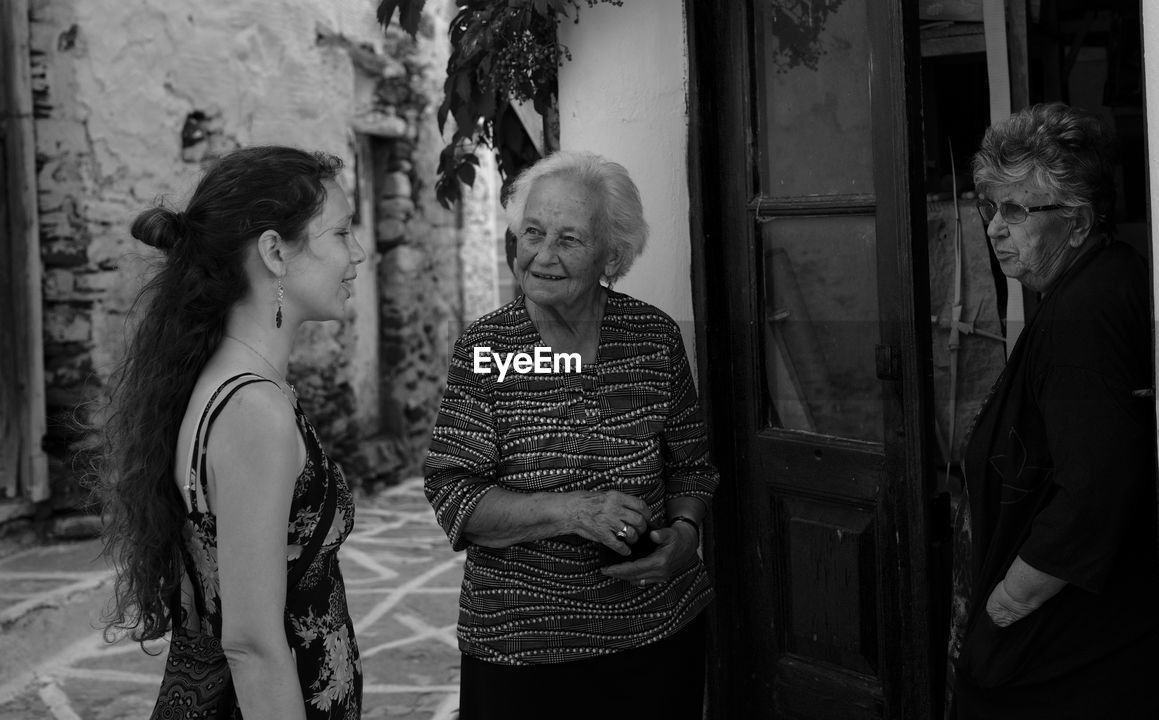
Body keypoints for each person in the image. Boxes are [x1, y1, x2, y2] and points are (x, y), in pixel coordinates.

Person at [423, 150, 718, 719]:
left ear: (612, 253)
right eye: (532, 233)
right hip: (521, 644)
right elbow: (454, 493)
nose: (542, 256)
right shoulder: (489, 350)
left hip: (656, 633)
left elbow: (691, 466)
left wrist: (685, 533)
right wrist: (576, 511)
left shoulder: (651, 338)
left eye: (569, 239)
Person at [94, 146, 365, 719]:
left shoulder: (236, 384)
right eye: (341, 234)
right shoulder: (252, 410)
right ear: (274, 251)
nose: (358, 254)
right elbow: (252, 643)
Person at [947, 103, 1159, 719]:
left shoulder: (1082, 316)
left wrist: (1006, 604)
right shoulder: (1103, 279)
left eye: (1016, 210)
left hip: (1060, 652)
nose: (993, 229)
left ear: (1077, 222)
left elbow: (1096, 487)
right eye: (990, 207)